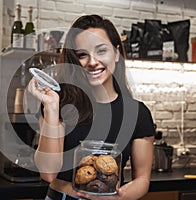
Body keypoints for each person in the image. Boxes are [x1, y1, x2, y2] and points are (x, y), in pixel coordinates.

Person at [27, 14, 155, 200]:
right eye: (82, 55)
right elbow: (47, 173)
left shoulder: (137, 113)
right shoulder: (61, 103)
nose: (92, 62)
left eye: (101, 51)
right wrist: (51, 109)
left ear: (117, 53)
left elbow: (142, 180)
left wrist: (117, 197)